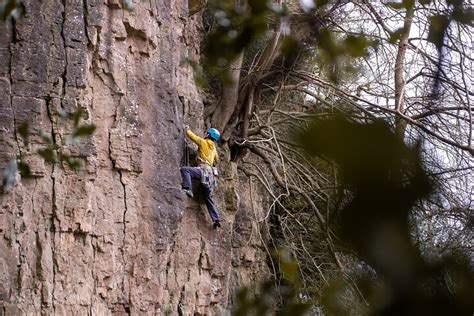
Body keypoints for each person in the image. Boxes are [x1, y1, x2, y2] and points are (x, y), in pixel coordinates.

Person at [180, 125, 221, 229]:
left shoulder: (203, 142)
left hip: (203, 171)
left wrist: (187, 129)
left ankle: (187, 189)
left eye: (207, 133)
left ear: (208, 135)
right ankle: (215, 219)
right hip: (211, 176)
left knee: (185, 170)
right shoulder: (214, 148)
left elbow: (193, 137)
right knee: (207, 197)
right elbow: (216, 160)